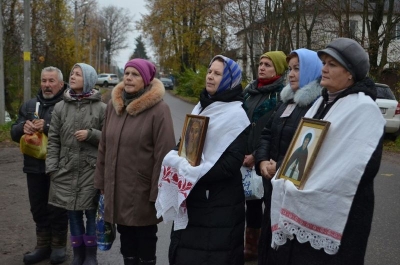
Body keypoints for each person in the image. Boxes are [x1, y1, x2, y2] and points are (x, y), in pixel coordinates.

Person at [264, 38, 385, 264]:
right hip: (302, 201)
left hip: (339, 210)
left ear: (350, 73)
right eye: (324, 63)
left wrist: (312, 186)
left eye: (332, 64)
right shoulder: (320, 103)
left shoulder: (363, 109)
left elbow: (362, 167)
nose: (324, 69)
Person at [156, 55, 250, 265]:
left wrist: (193, 173)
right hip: (192, 197)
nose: (210, 77)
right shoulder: (201, 106)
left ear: (228, 80)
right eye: (209, 71)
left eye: (217, 74)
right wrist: (174, 158)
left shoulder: (236, 116)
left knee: (212, 255)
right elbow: (186, 146)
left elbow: (230, 164)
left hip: (218, 205)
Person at [94, 58, 175, 265]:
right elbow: (104, 145)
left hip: (143, 189)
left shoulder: (159, 110)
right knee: (126, 237)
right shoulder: (114, 106)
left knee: (145, 237)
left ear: (146, 79)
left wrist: (157, 193)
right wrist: (101, 182)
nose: (129, 78)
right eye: (127, 73)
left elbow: (164, 155)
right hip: (117, 187)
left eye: (135, 74)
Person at [254, 48, 323, 265]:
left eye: (297, 69)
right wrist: (262, 160)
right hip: (272, 183)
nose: (291, 74)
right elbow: (267, 133)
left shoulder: (317, 106)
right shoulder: (286, 102)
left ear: (312, 71)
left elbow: (311, 149)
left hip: (294, 191)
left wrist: (281, 166)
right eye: (290, 69)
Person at [46, 63, 106, 265]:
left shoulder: (102, 108)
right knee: (73, 214)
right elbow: (53, 139)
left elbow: (109, 139)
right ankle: (78, 254)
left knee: (90, 213)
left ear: (88, 80)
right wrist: (52, 168)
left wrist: (91, 135)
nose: (73, 76)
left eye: (78, 74)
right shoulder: (60, 107)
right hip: (65, 169)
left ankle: (90, 256)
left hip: (90, 170)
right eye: (72, 73)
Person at [10, 66, 69, 265]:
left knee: (57, 207)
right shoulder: (29, 105)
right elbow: (13, 132)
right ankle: (43, 246)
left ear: (60, 84)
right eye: (44, 80)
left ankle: (59, 246)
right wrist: (22, 127)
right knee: (38, 207)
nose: (47, 85)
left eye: (51, 81)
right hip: (33, 166)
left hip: (59, 166)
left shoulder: (67, 104)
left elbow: (71, 134)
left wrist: (47, 127)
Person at [241, 51, 288, 261]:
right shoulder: (249, 92)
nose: (261, 68)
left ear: (278, 69)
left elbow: (272, 130)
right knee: (250, 204)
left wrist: (255, 155)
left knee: (268, 203)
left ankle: (267, 246)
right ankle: (251, 247)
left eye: (267, 65)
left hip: (265, 160)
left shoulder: (281, 95)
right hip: (242, 159)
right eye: (260, 63)